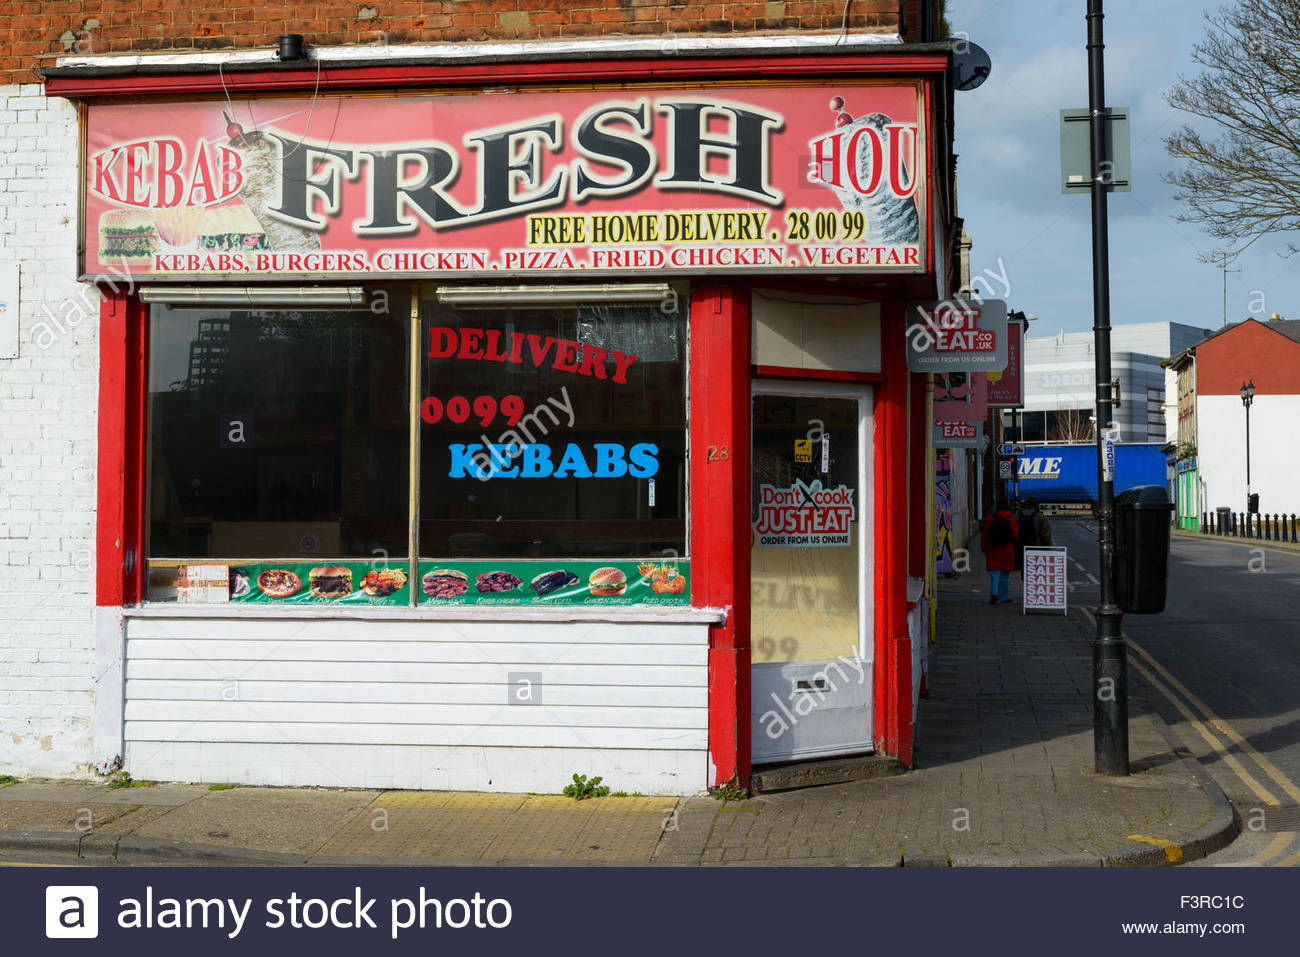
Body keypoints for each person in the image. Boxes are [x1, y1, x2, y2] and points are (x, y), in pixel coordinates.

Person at [980, 497, 1020, 604]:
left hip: (993, 549)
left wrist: (984, 549)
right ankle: (1004, 596)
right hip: (1007, 549)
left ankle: (994, 594)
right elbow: (1015, 535)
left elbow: (984, 536)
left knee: (994, 573)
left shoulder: (990, 518)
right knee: (1005, 574)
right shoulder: (1011, 519)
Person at [1015, 496, 1052, 573]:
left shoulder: (1018, 515)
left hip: (1021, 549)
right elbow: (1046, 535)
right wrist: (1048, 548)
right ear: (1037, 505)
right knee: (1036, 573)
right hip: (1037, 549)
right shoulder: (1040, 516)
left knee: (1025, 573)